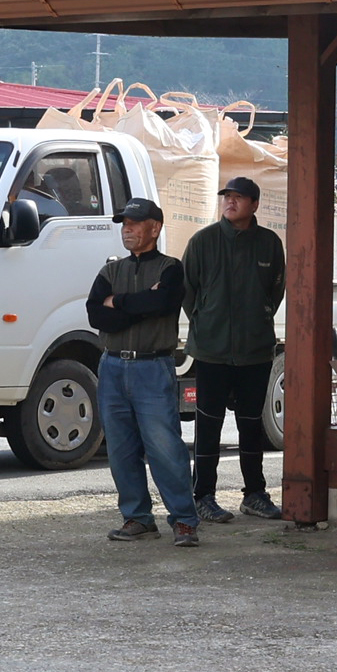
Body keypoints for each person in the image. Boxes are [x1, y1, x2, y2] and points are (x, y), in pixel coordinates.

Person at [88, 197, 201, 545]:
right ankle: (137, 517)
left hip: (153, 366)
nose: (128, 229)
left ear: (155, 228)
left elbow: (164, 303)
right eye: (124, 224)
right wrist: (140, 304)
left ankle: (184, 520)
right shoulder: (110, 270)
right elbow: (96, 315)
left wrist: (119, 301)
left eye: (135, 223)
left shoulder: (170, 268)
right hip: (112, 365)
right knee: (121, 449)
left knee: (164, 446)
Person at [180, 176, 287, 522]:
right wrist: (207, 321)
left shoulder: (269, 243)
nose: (230, 202)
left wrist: (257, 319)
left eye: (238, 197)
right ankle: (203, 496)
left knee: (251, 424)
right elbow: (188, 293)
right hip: (211, 350)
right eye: (227, 196)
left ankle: (254, 494)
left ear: (254, 204)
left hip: (255, 350)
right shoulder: (203, 242)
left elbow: (275, 291)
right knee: (208, 426)